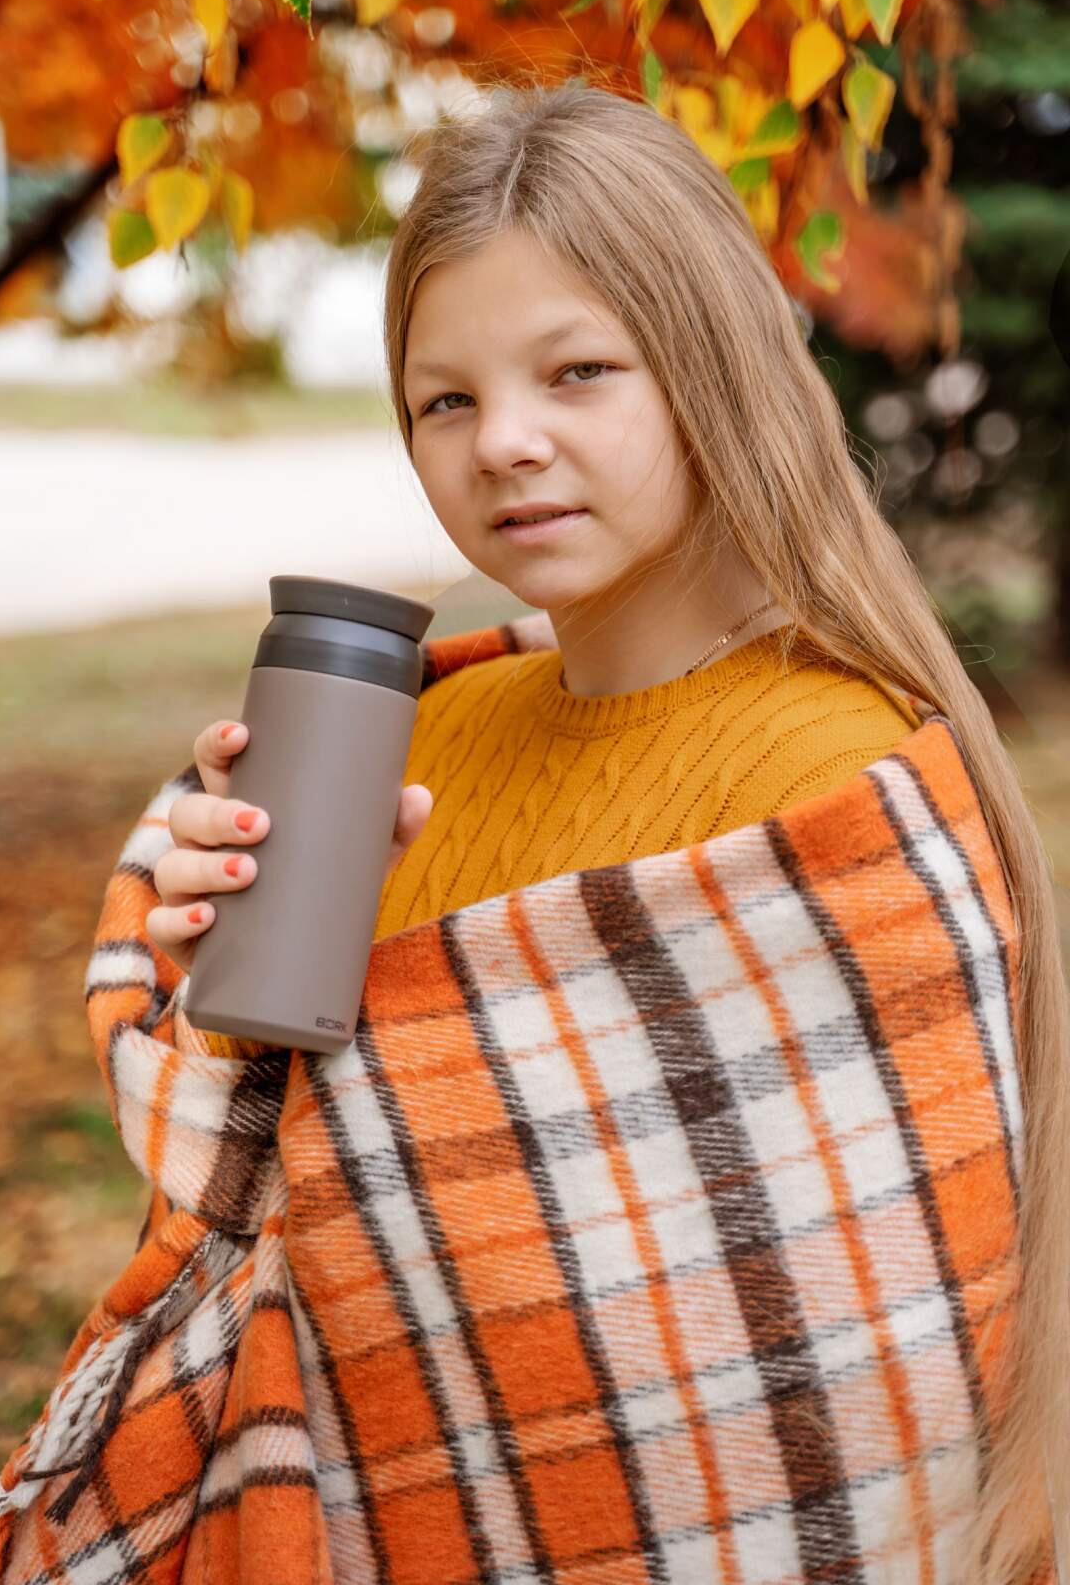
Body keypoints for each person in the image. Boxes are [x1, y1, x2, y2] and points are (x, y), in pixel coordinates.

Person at [137, 82, 1064, 1582]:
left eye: (578, 373)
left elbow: (838, 1389)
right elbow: (285, 1214)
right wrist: (209, 958)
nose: (504, 442)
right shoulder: (425, 738)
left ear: (712, 372)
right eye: (446, 398)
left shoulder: (837, 782)